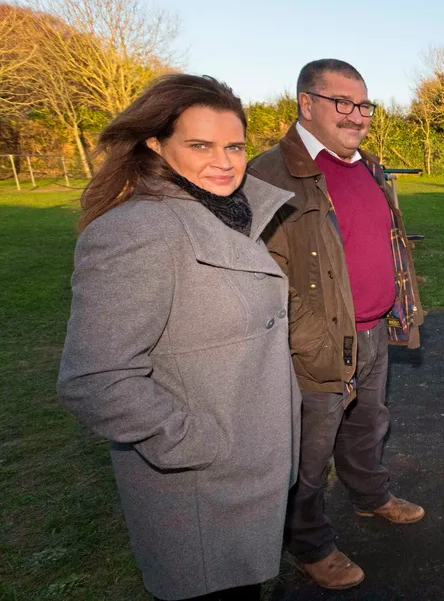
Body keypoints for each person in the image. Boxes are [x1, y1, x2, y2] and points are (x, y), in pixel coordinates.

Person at [57, 74, 300, 601]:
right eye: (200, 145)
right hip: (198, 486)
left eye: (234, 145)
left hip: (245, 473)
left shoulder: (230, 213)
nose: (225, 161)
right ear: (155, 144)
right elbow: (95, 380)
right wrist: (199, 444)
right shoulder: (138, 230)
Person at [247, 59, 425, 591]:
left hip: (374, 329)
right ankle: (310, 544)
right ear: (306, 103)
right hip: (313, 342)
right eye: (341, 102)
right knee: (309, 451)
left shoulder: (369, 165)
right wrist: (292, 332)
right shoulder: (267, 174)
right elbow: (249, 265)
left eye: (363, 104)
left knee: (368, 425)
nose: (356, 115)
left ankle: (371, 497)